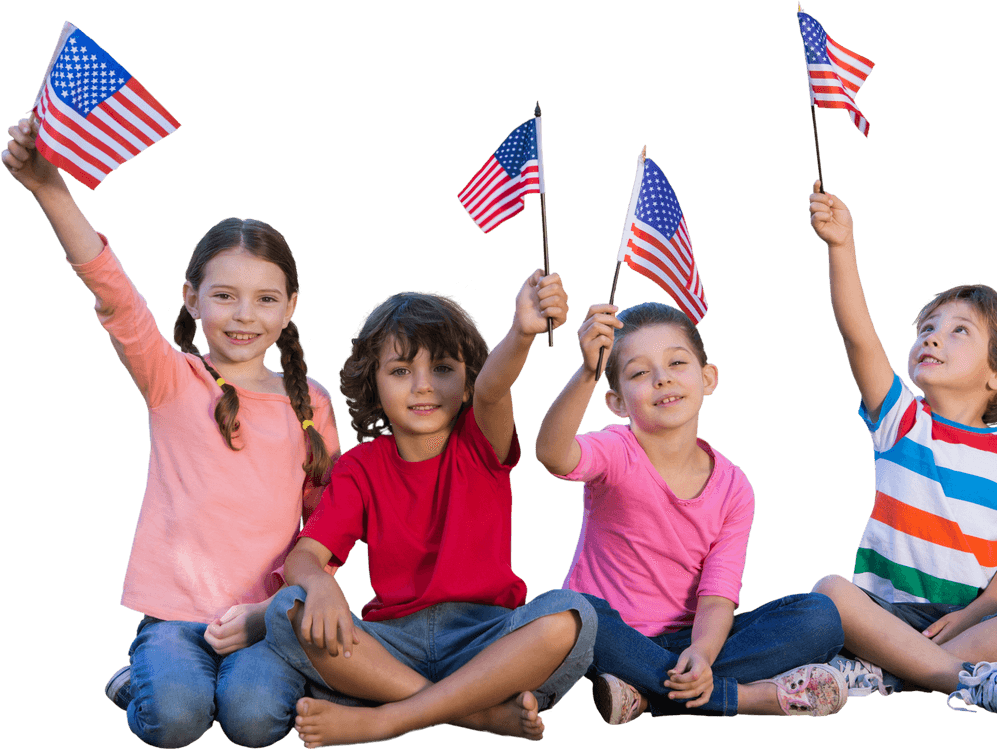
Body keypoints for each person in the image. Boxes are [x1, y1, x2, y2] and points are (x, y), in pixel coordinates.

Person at [3, 117, 340, 747]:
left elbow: (327, 525)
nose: (245, 315)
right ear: (191, 298)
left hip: (261, 617)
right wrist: (52, 190)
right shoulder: (172, 379)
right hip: (175, 616)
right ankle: (142, 678)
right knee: (175, 719)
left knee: (255, 722)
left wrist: (271, 615)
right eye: (225, 295)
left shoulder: (311, 401)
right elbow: (115, 296)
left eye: (266, 299)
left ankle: (262, 676)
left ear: (292, 306)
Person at [261, 275, 597, 748]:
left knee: (573, 616)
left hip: (487, 638)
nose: (423, 387)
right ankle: (476, 715)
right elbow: (304, 555)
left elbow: (494, 391)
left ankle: (387, 720)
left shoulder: (480, 442)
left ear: (467, 383)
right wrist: (319, 584)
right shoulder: (360, 467)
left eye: (442, 369)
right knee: (284, 611)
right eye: (400, 371)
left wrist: (521, 333)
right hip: (393, 645)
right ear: (374, 385)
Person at [806, 180, 997, 719]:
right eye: (928, 328)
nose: (932, 337)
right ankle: (960, 678)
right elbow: (859, 335)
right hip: (886, 613)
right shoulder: (902, 422)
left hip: (974, 618)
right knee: (829, 592)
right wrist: (842, 247)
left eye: (958, 332)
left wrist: (979, 613)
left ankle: (883, 677)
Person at [535, 300, 849, 722]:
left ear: (708, 378)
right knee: (568, 610)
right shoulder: (615, 450)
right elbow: (553, 454)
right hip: (608, 638)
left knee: (820, 617)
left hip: (690, 639)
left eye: (676, 363)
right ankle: (745, 698)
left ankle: (645, 694)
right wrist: (586, 373)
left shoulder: (735, 486)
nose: (662, 379)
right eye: (640, 373)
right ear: (617, 402)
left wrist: (701, 653)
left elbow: (718, 596)